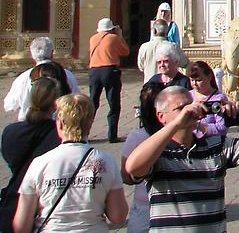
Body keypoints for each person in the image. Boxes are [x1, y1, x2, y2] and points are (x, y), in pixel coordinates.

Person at [124, 86, 239, 231]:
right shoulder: (157, 152)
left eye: (191, 104)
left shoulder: (215, 145)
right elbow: (133, 168)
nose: (189, 111)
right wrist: (176, 124)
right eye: (181, 108)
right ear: (161, 116)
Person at [14, 93, 128, 232]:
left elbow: (22, 225)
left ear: (60, 123)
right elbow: (118, 217)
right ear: (90, 123)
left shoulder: (40, 163)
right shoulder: (106, 161)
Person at [0, 78, 62, 231]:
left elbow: (11, 161)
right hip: (46, 205)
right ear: (56, 104)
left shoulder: (11, 131)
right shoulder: (59, 135)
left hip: (14, 199)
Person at [120, 82, 164, 233]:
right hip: (171, 200)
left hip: (144, 200)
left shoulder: (137, 136)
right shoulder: (178, 134)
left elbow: (125, 176)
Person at [4, 37, 79, 121]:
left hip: (29, 125)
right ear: (52, 53)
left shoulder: (22, 78)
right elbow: (75, 100)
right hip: (58, 126)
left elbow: (9, 106)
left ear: (32, 55)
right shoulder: (68, 75)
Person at [88, 18, 130, 143]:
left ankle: (85, 132)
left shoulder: (92, 39)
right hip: (109, 70)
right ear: (111, 29)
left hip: (94, 71)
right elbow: (125, 52)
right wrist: (120, 36)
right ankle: (112, 135)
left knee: (92, 103)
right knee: (113, 103)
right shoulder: (114, 38)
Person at [188, 61, 229, 138]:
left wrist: (197, 126)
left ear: (209, 77)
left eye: (199, 80)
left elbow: (223, 128)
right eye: (192, 80)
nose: (194, 84)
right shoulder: (187, 96)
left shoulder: (219, 98)